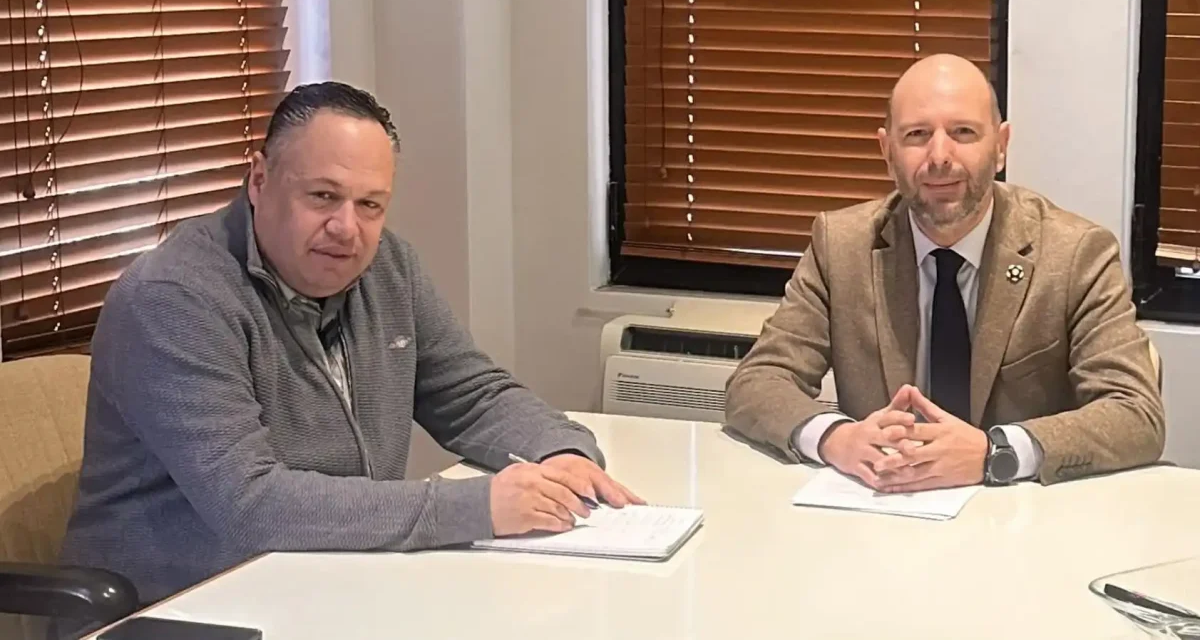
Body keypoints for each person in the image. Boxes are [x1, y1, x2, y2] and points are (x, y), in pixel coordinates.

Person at [58, 82, 642, 606]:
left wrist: (559, 452)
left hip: (331, 584)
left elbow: (469, 393)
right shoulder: (175, 298)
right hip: (187, 609)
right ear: (259, 180)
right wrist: (477, 508)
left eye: (370, 205)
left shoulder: (387, 268)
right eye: (322, 196)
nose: (347, 229)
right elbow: (250, 504)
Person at [725, 54, 1164, 492]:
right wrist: (836, 438)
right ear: (887, 151)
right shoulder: (840, 246)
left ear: (1001, 146)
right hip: (880, 509)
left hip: (1020, 514)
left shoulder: (1076, 254)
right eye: (917, 135)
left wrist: (996, 453)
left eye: (963, 132)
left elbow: (1135, 413)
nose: (939, 156)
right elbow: (757, 381)